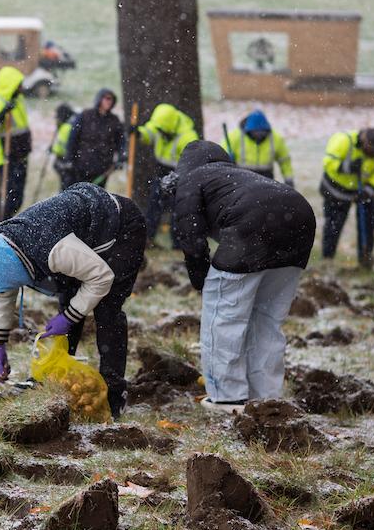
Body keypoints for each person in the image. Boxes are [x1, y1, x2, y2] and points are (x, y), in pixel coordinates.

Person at [0, 183, 147, 418]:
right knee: (70, 299)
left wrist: (69, 317)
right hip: (77, 235)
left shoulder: (51, 248)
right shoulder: (3, 246)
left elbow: (102, 277)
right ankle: (56, 376)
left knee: (107, 308)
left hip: (122, 229)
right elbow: (3, 289)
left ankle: (113, 392)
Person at [168, 142, 316, 411]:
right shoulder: (237, 177)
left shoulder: (192, 178)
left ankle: (227, 397)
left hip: (253, 224)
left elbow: (190, 234)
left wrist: (202, 280)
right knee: (267, 320)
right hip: (300, 218)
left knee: (224, 316)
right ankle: (266, 397)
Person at [319, 127, 374, 269]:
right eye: (371, 149)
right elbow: (328, 162)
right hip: (336, 189)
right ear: (364, 140)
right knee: (334, 224)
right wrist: (349, 167)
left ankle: (365, 257)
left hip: (362, 191)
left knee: (369, 222)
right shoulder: (344, 141)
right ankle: (327, 258)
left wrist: (370, 189)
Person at [133, 103, 199, 245]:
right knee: (154, 204)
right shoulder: (159, 125)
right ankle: (148, 237)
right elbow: (149, 133)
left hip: (179, 175)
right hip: (160, 170)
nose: (160, 134)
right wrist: (138, 133)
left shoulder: (188, 136)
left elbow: (191, 161)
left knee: (178, 209)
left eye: (163, 132)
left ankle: (177, 243)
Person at [0, 66, 32, 221]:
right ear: (10, 84)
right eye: (18, 84)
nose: (21, 88)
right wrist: (1, 115)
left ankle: (6, 221)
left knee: (18, 196)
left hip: (20, 153)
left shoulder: (18, 100)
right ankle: (0, 224)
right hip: (7, 156)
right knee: (9, 196)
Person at [65, 88, 125, 188]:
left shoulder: (114, 121)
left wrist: (121, 158)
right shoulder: (85, 115)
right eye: (107, 98)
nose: (109, 101)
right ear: (99, 99)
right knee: (79, 194)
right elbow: (73, 138)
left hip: (103, 168)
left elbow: (121, 141)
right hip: (82, 165)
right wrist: (69, 158)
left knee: (97, 197)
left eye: (112, 99)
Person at [224, 108, 294, 186]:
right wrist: (227, 160)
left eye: (262, 132)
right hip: (242, 178)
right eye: (256, 132)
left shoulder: (276, 138)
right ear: (249, 130)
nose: (259, 135)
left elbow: (284, 160)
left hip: (267, 178)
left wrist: (289, 180)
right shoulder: (234, 137)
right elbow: (221, 156)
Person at [51, 103, 77, 190]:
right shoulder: (74, 124)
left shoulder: (66, 127)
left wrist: (53, 149)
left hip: (65, 163)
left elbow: (61, 146)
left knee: (65, 187)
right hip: (70, 163)